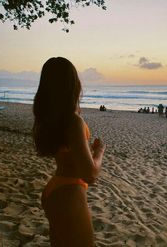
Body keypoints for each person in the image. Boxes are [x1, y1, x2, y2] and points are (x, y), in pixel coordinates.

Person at [33, 57, 105, 247]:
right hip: (69, 193)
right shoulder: (73, 121)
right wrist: (99, 152)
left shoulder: (53, 118)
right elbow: (90, 174)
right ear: (74, 84)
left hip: (55, 189)